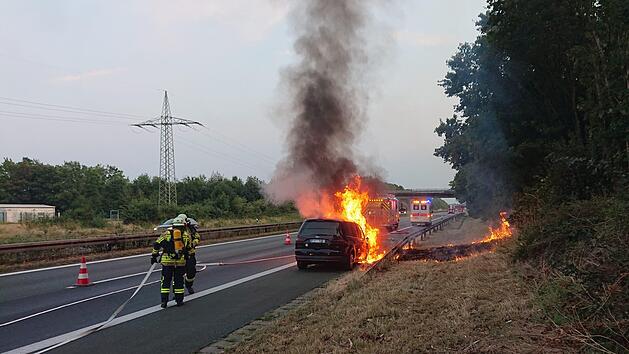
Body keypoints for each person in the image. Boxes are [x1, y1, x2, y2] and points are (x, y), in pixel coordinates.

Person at [151, 216, 191, 308]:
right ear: (183, 225)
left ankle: (164, 302)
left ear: (173, 225)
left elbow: (157, 244)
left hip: (167, 262)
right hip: (180, 262)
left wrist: (154, 256)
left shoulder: (166, 234)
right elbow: (188, 248)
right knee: (179, 281)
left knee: (165, 281)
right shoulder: (185, 235)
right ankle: (179, 301)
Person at [178, 214, 200, 294]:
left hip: (190, 254)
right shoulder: (175, 229)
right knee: (178, 274)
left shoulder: (191, 229)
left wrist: (194, 243)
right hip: (179, 256)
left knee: (191, 272)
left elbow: (197, 237)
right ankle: (177, 292)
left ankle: (189, 285)